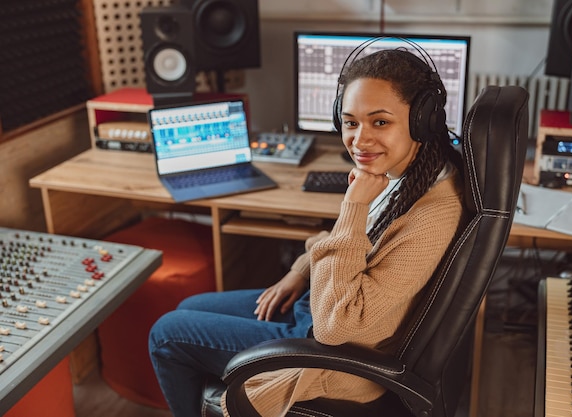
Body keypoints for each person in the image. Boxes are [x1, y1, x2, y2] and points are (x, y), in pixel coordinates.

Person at [149, 45, 465, 417]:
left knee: (167, 334)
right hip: (319, 306)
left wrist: (354, 204)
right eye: (350, 122)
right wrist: (298, 273)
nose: (360, 141)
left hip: (337, 354)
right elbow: (341, 246)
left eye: (380, 122)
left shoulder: (431, 215)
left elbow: (336, 328)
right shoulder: (406, 175)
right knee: (191, 307)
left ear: (421, 120)